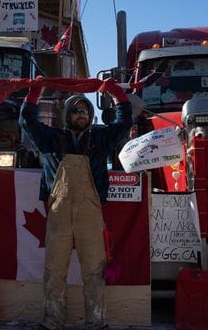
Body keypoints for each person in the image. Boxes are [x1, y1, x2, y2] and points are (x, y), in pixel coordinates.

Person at [19, 80, 132, 330]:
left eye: (84, 111)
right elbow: (27, 122)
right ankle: (52, 321)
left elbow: (124, 123)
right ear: (66, 115)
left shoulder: (101, 138)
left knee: (94, 271)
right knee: (54, 271)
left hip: (90, 214)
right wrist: (34, 92)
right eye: (75, 111)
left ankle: (96, 322)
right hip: (58, 213)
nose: (80, 115)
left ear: (90, 116)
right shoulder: (51, 138)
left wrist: (116, 94)